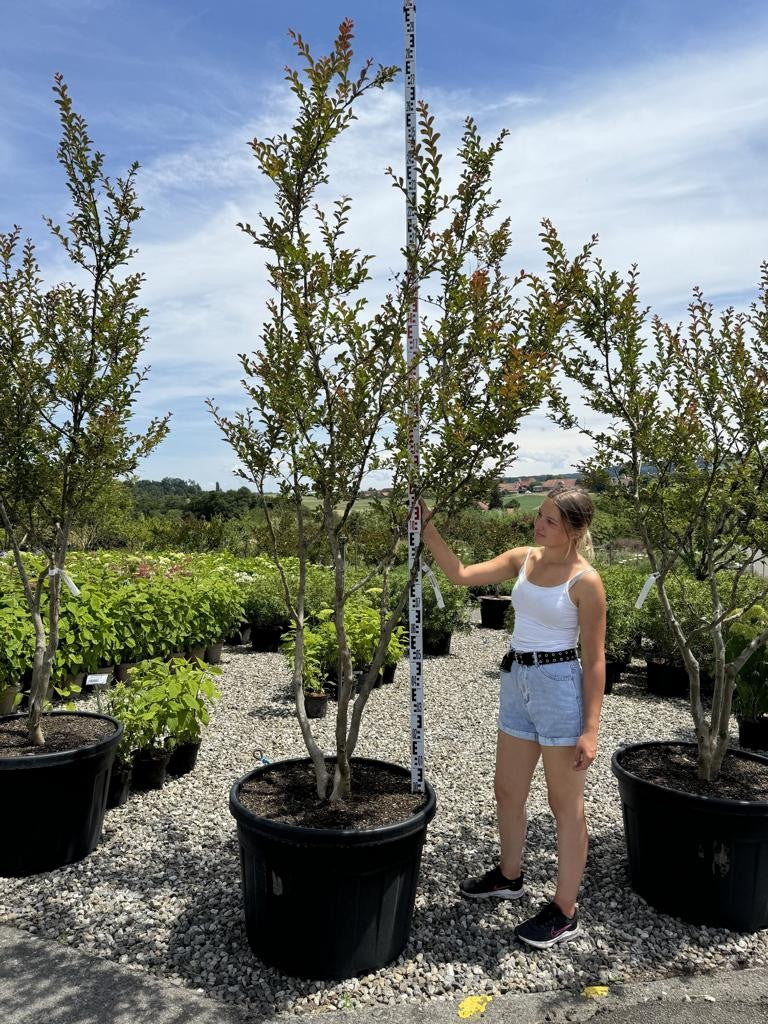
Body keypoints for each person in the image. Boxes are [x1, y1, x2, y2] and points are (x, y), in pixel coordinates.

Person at [420, 486, 606, 949]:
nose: (538, 525)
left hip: (559, 687)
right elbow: (460, 574)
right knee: (507, 790)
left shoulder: (585, 582)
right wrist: (425, 526)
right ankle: (509, 875)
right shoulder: (525, 558)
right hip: (517, 682)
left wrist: (590, 728)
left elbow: (596, 659)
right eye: (539, 516)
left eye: (549, 520)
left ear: (575, 529)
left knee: (566, 807)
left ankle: (565, 909)